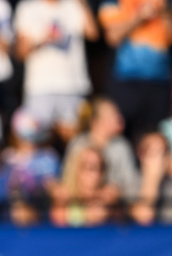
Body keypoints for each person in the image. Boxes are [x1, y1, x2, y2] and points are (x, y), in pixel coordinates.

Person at [13, 0, 98, 141]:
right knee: (36, 139)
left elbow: (92, 34)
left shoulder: (74, 5)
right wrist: (43, 39)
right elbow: (21, 53)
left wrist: (82, 4)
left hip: (73, 85)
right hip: (40, 86)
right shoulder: (27, 8)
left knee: (75, 139)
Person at [99, 0, 172, 141]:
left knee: (154, 136)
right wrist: (140, 17)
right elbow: (112, 37)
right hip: (125, 81)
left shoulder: (165, 3)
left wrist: (162, 11)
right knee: (121, 135)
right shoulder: (115, 2)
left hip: (159, 83)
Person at [62, 98, 140, 204]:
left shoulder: (122, 146)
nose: (119, 118)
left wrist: (118, 191)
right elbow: (67, 179)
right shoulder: (78, 144)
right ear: (96, 121)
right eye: (113, 114)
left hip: (113, 206)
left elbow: (132, 183)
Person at [50, 144, 121, 227]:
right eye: (90, 167)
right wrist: (86, 214)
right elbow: (58, 215)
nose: (96, 174)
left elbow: (101, 213)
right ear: (76, 169)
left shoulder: (109, 195)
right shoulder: (64, 194)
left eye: (101, 167)